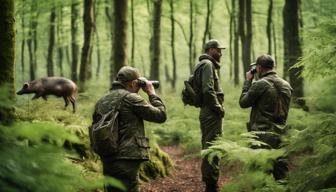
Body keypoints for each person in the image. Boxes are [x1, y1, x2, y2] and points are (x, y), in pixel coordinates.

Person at [91, 66, 167, 192]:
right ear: (132, 83)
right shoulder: (130, 98)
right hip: (127, 158)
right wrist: (152, 93)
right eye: (138, 84)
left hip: (107, 155)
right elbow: (160, 115)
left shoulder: (102, 100)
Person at [239, 54, 292, 179]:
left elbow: (243, 102)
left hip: (262, 136)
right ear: (273, 67)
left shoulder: (260, 84)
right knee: (281, 175)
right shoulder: (286, 85)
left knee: (260, 175)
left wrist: (248, 81)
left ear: (259, 68)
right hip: (281, 135)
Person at [193, 39, 225, 192]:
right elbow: (208, 89)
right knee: (213, 147)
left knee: (209, 145)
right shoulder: (207, 65)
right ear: (211, 50)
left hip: (208, 111)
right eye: (219, 50)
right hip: (211, 112)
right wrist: (218, 107)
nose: (220, 53)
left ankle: (210, 183)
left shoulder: (205, 64)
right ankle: (211, 186)